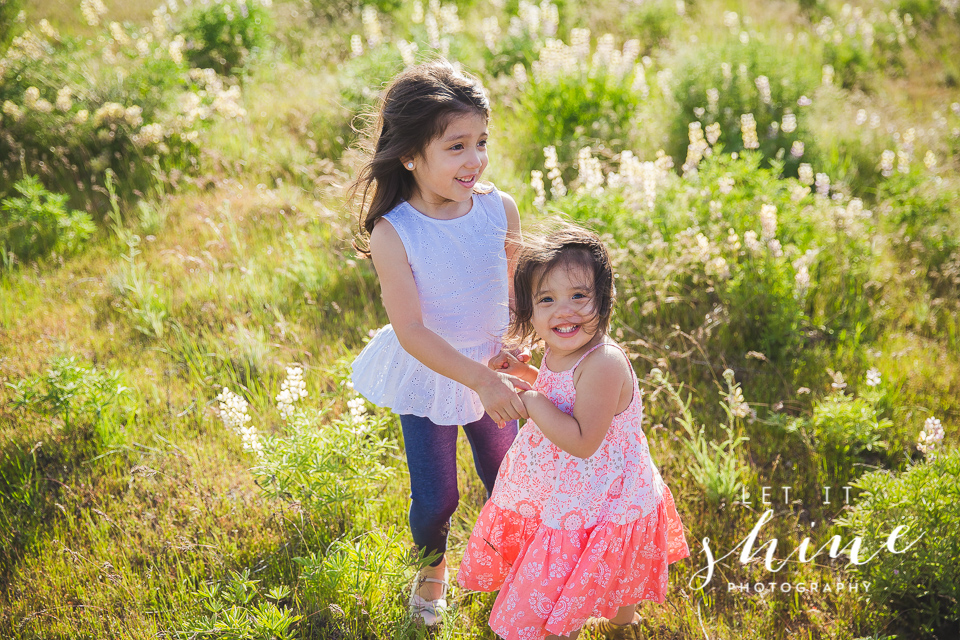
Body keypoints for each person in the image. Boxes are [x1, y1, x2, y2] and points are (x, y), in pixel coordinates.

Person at [349, 59, 530, 627]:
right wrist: (479, 377)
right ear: (410, 155)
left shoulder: (500, 210)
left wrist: (512, 346)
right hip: (431, 372)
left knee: (510, 475)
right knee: (437, 498)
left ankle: (517, 564)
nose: (474, 160)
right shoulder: (394, 232)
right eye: (456, 147)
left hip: (489, 369)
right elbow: (412, 332)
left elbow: (511, 295)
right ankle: (432, 566)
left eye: (481, 142)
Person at [457, 224, 689, 640]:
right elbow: (561, 393)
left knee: (598, 579)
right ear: (530, 311)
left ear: (604, 299)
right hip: (575, 492)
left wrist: (529, 403)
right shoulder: (562, 349)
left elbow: (583, 441)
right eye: (547, 299)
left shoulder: (603, 363)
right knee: (582, 569)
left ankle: (619, 627)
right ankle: (610, 623)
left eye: (579, 296)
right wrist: (525, 373)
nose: (563, 311)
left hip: (606, 493)